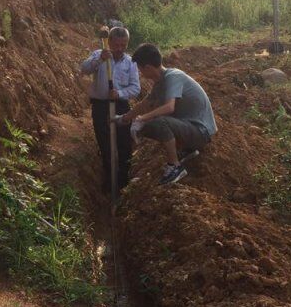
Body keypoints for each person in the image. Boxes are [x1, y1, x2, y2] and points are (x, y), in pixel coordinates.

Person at [121, 42, 217, 185]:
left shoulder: (173, 77)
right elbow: (147, 103)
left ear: (147, 68)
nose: (140, 73)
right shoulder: (161, 82)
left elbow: (169, 107)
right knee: (153, 121)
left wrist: (142, 119)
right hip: (192, 128)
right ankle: (188, 149)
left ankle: (174, 167)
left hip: (201, 132)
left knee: (159, 123)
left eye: (140, 69)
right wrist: (125, 118)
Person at [80, 26, 140, 191]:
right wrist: (100, 59)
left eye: (123, 45)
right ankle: (109, 179)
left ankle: (123, 181)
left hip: (121, 104)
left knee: (124, 143)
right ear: (110, 42)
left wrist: (119, 93)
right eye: (116, 45)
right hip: (100, 105)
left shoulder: (130, 62)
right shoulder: (99, 54)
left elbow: (135, 88)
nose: (119, 49)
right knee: (104, 142)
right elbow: (84, 69)